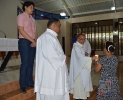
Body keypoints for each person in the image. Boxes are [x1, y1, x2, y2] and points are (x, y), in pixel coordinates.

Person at [34, 18, 70, 100]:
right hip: (50, 76)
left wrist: (63, 57)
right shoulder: (47, 37)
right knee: (52, 96)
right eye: (59, 25)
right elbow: (50, 54)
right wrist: (64, 58)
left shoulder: (51, 36)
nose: (60, 28)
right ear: (54, 25)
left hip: (53, 73)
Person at [17, 1, 37, 93]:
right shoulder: (21, 16)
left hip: (32, 42)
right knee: (25, 63)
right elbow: (21, 31)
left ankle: (30, 82)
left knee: (30, 63)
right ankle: (23, 85)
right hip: (24, 42)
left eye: (33, 8)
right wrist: (32, 40)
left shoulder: (32, 19)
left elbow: (35, 31)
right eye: (31, 7)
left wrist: (35, 41)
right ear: (25, 7)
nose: (32, 9)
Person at [69, 34, 98, 100]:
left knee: (82, 85)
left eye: (84, 39)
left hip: (81, 68)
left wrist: (85, 55)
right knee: (80, 86)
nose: (83, 41)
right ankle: (80, 97)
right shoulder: (76, 47)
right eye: (81, 39)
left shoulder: (79, 46)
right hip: (79, 70)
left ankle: (81, 96)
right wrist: (91, 58)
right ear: (78, 39)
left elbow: (81, 56)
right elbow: (80, 58)